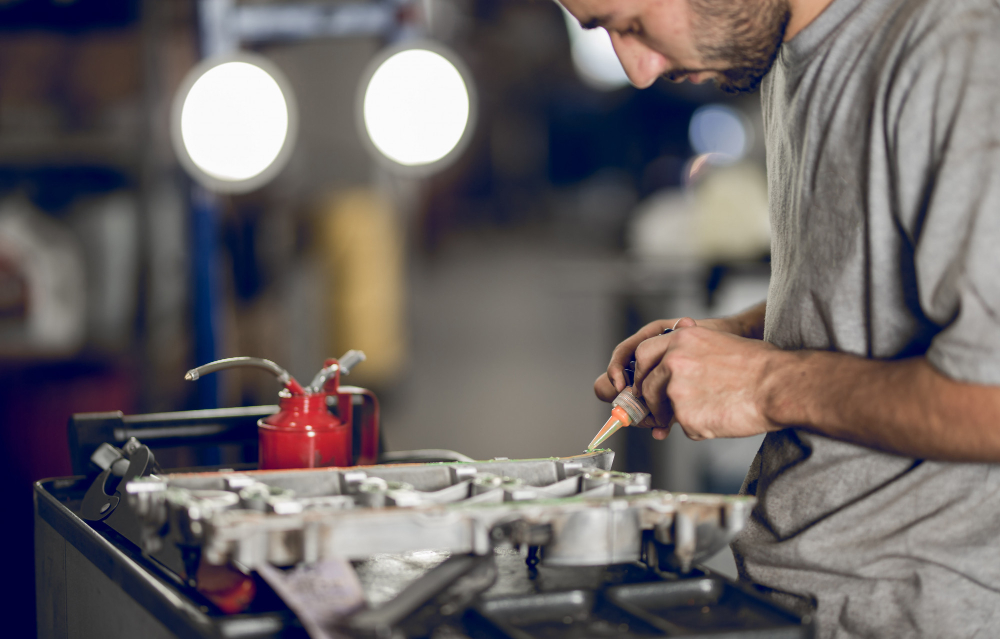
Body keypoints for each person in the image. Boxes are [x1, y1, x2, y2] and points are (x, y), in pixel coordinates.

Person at [559, 0, 1000, 635]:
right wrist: (733, 338)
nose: (637, 70)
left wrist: (765, 384)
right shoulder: (784, 49)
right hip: (791, 593)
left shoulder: (954, 50)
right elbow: (883, 282)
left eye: (629, 22)